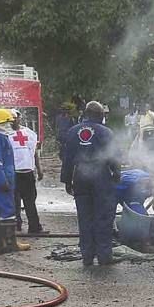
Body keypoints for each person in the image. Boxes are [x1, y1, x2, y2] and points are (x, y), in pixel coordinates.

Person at [61, 101, 121, 266]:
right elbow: (114, 155)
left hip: (80, 176)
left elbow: (67, 158)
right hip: (100, 175)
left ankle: (87, 256)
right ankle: (104, 256)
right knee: (103, 216)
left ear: (85, 114)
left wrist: (66, 180)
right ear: (100, 116)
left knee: (84, 217)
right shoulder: (105, 132)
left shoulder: (72, 132)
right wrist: (116, 172)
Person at [0, 109, 29, 254]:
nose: (11, 124)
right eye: (9, 121)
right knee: (7, 211)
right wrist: (3, 180)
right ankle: (10, 243)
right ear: (3, 123)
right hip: (1, 182)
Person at [9, 110, 46, 235]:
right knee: (14, 200)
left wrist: (39, 169)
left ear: (20, 118)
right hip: (13, 173)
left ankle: (34, 227)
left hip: (27, 172)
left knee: (30, 201)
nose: (14, 120)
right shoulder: (6, 135)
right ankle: (16, 224)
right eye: (11, 118)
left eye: (16, 117)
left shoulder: (29, 134)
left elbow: (34, 153)